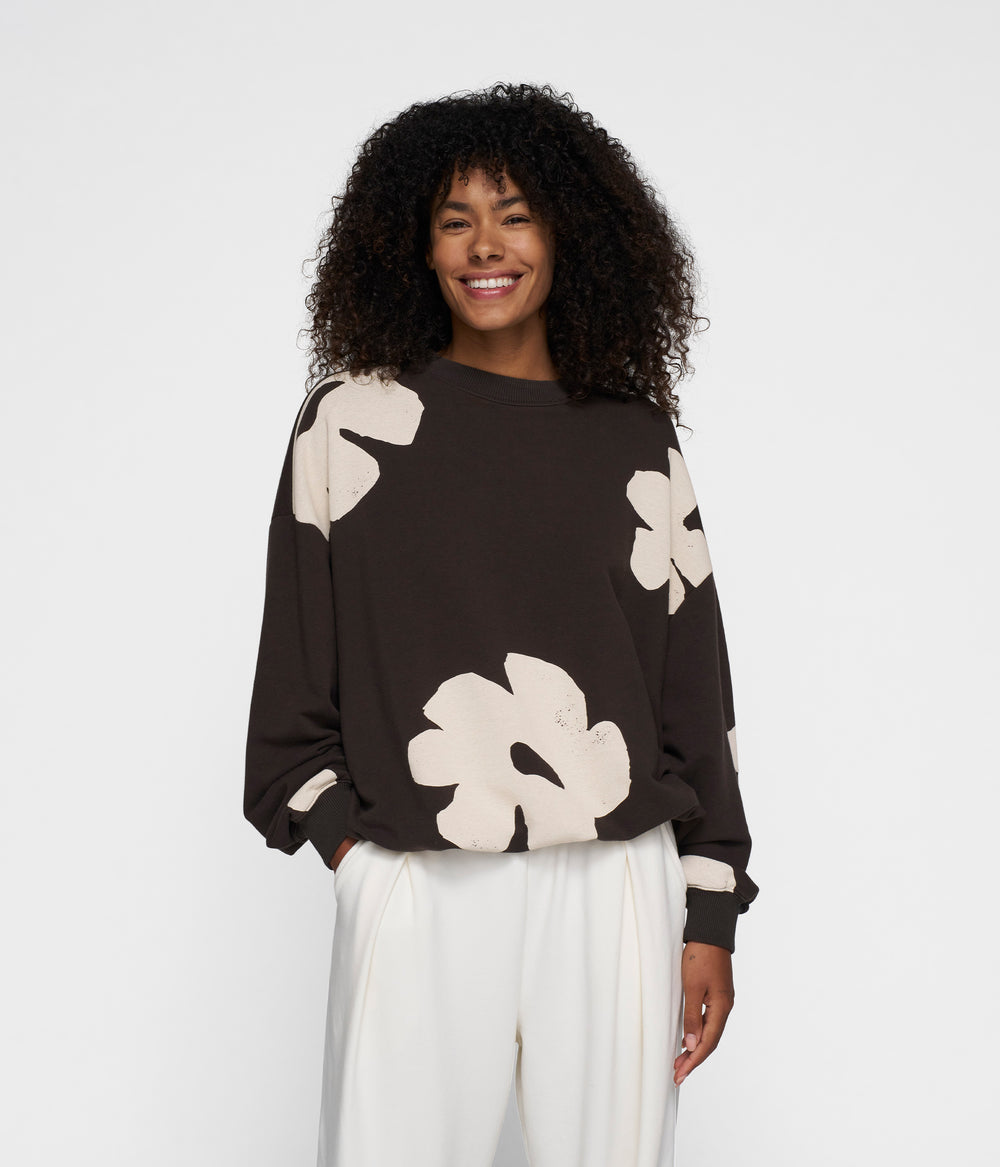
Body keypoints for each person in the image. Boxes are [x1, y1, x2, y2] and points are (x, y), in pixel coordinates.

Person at [244, 81, 759, 1167]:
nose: (486, 245)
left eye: (515, 214)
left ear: (570, 235)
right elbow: (293, 681)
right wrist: (357, 855)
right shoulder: (349, 423)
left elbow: (690, 693)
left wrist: (708, 909)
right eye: (454, 219)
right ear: (414, 244)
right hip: (416, 873)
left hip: (614, 877)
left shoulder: (632, 438)